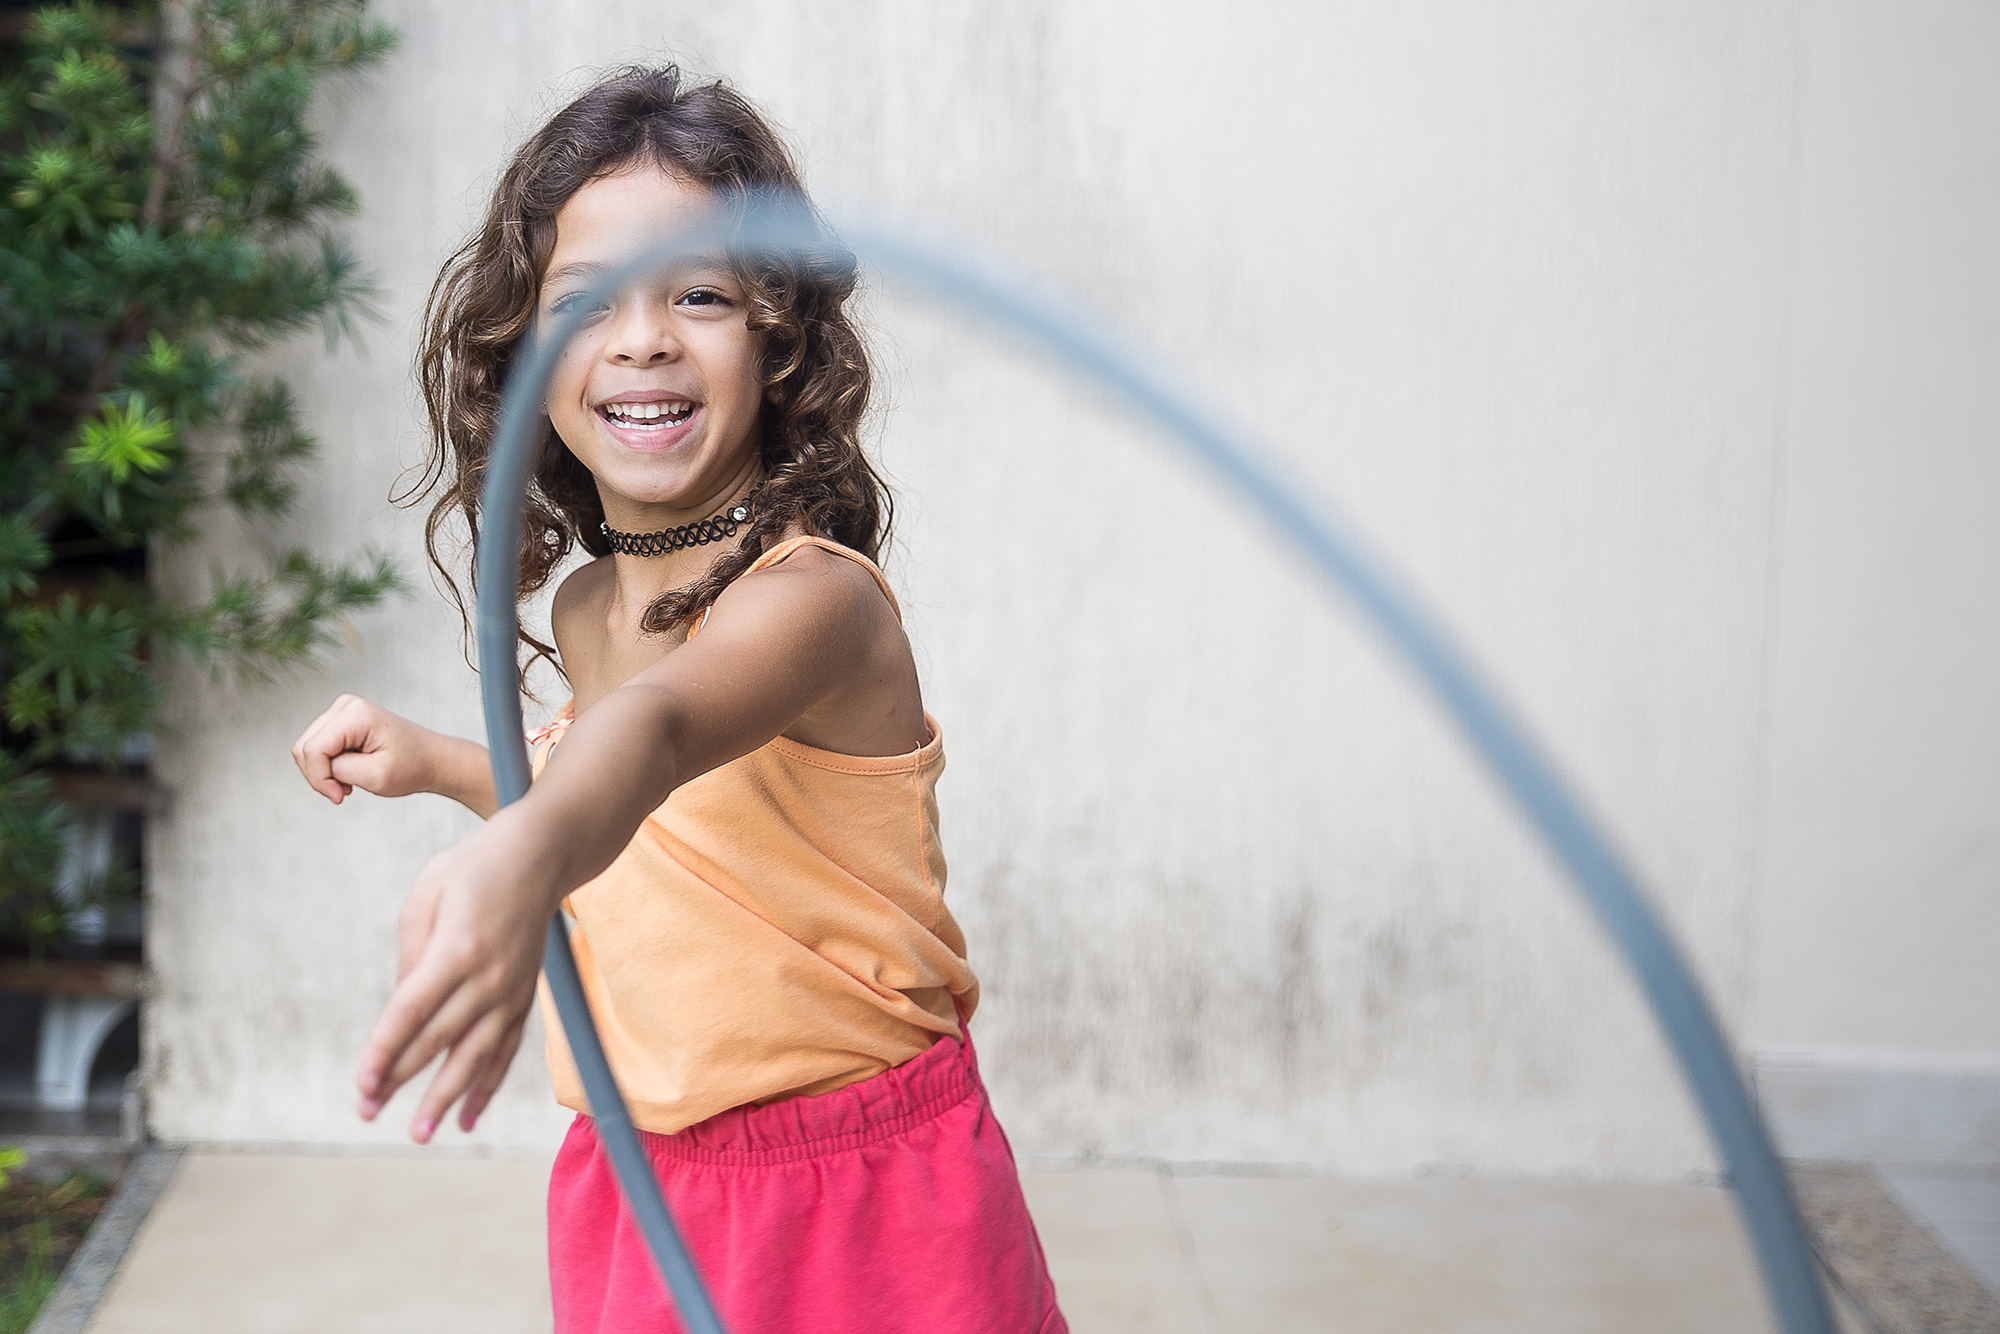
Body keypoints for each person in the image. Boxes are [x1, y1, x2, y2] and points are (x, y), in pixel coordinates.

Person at [289, 66, 1067, 1334]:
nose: (643, 334)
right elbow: (644, 816)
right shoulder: (590, 605)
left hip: (863, 1190)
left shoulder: (813, 603)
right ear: (521, 353)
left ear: (778, 338)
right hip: (641, 1175)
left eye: (698, 293)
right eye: (586, 299)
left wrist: (517, 861)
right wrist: (443, 762)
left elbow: (654, 738)